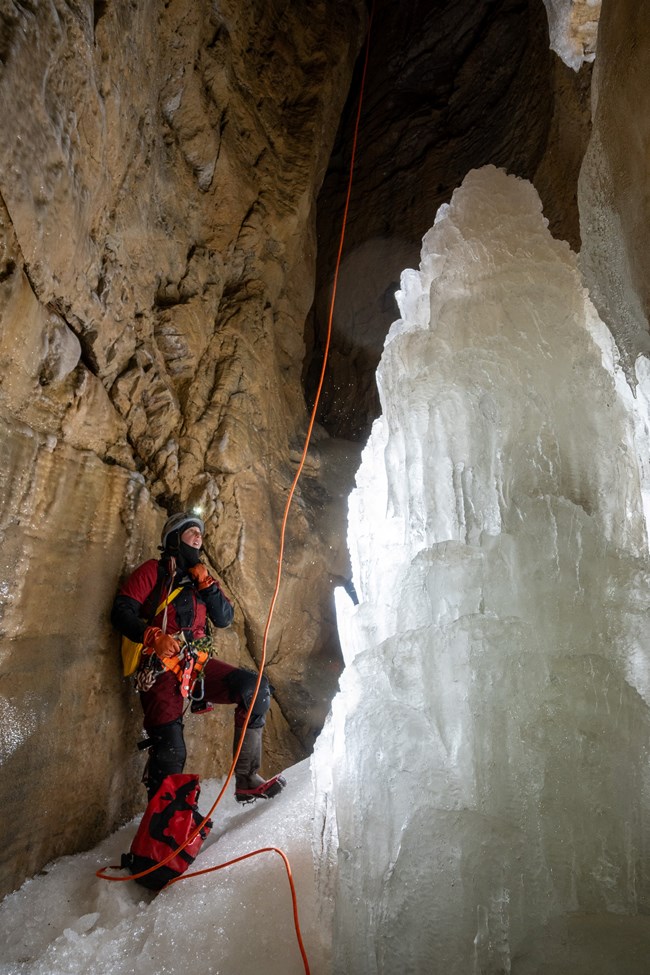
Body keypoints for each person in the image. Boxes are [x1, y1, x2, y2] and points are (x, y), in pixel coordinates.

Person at [111, 511, 286, 804]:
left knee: (255, 689)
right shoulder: (154, 571)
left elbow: (224, 618)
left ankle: (247, 779)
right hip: (161, 667)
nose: (198, 537)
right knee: (171, 749)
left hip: (196, 665)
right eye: (191, 532)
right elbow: (121, 611)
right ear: (174, 539)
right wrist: (152, 636)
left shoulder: (201, 580)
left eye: (200, 534)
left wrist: (206, 584)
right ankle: (158, 836)